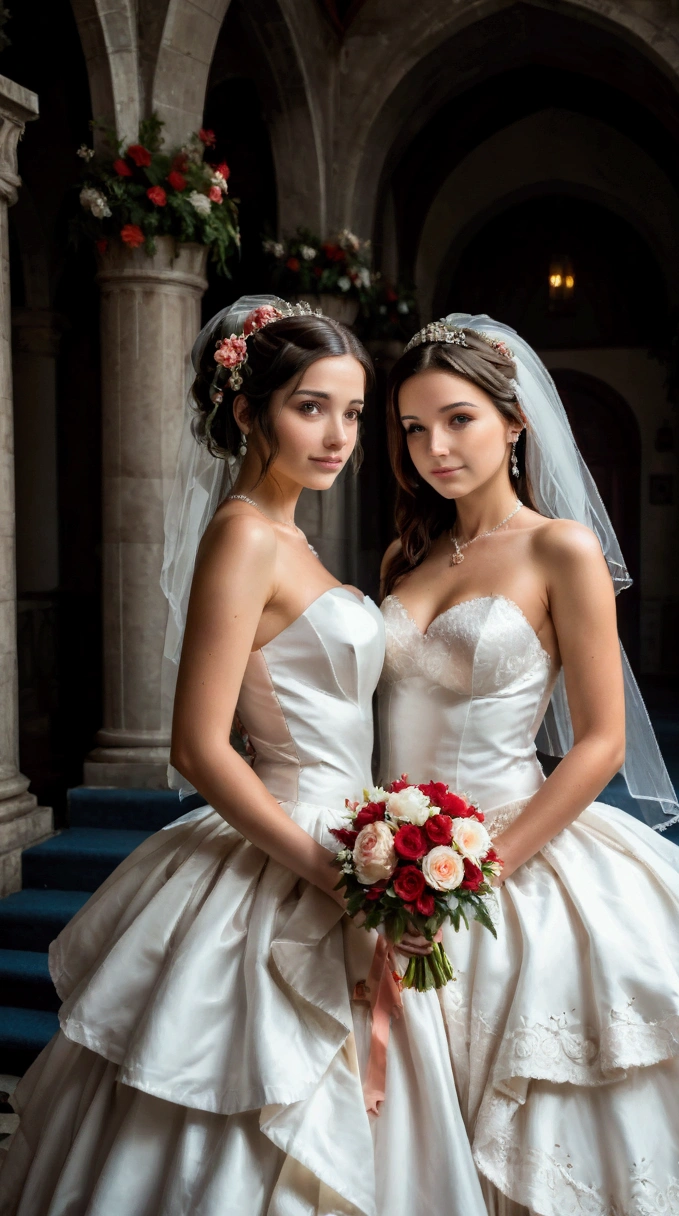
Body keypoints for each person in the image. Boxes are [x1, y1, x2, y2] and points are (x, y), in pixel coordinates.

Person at [0, 298, 485, 1216]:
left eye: (351, 412)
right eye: (311, 407)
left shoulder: (296, 535)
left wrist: (373, 852)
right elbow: (196, 743)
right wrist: (335, 874)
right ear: (245, 411)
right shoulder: (243, 534)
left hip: (354, 835)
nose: (339, 435)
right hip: (289, 840)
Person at [377, 313, 679, 1216]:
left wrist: (479, 870)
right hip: (388, 855)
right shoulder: (408, 556)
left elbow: (601, 743)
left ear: (514, 421)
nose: (435, 448)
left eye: (458, 419)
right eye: (415, 428)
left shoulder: (559, 548)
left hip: (508, 850)